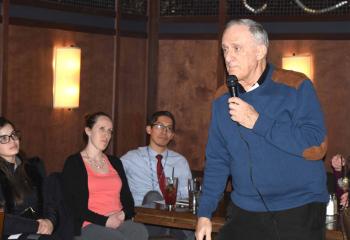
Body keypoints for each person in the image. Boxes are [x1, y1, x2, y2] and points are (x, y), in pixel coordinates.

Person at [195, 19, 328, 240]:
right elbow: (218, 160)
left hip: (299, 207)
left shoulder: (295, 86)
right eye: (225, 50)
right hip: (246, 210)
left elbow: (316, 146)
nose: (228, 57)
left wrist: (258, 122)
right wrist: (205, 213)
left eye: (237, 48)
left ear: (260, 51)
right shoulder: (221, 99)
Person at [61, 112, 148, 240]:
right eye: (101, 129)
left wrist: (123, 215)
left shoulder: (115, 162)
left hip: (118, 221)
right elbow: (75, 206)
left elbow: (128, 199)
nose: (106, 135)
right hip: (89, 223)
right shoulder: (74, 163)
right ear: (88, 131)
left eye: (110, 131)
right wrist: (105, 221)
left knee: (140, 231)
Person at [121, 110, 192, 239]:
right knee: (152, 196)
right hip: (143, 217)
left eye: (169, 128)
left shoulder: (180, 161)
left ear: (172, 135)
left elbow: (187, 196)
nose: (164, 132)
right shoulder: (131, 158)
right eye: (160, 126)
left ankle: (171, 230)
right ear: (149, 129)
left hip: (173, 218)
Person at [0, 117, 58, 239]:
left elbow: (49, 202)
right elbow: (2, 220)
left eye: (13, 135)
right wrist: (36, 226)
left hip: (36, 231)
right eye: (4, 138)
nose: (12, 141)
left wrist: (50, 222)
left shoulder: (33, 167)